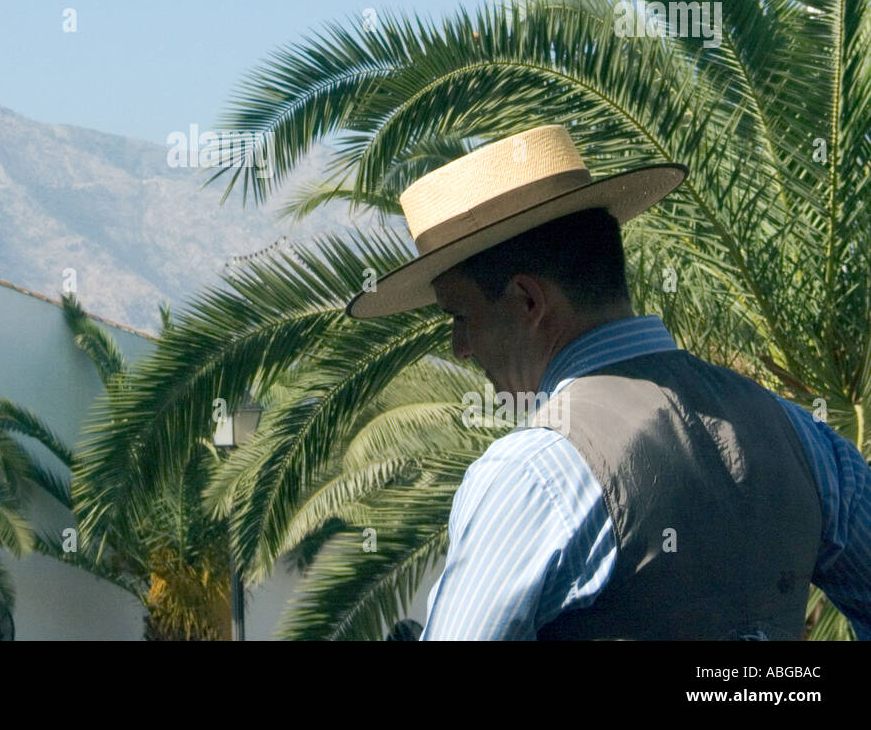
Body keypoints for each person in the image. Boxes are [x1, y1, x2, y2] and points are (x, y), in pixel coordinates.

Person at [344, 124, 871, 640]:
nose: (461, 347)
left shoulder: (533, 474)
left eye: (460, 316)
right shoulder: (802, 435)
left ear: (528, 301)